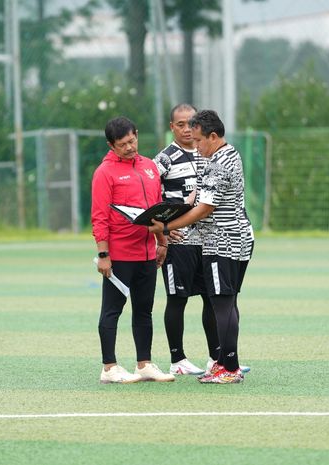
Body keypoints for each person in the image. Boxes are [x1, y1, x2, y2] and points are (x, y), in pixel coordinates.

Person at [149, 110, 254, 384]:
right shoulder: (225, 154)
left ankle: (228, 368)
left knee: (221, 303)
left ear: (213, 136)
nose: (195, 146)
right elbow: (199, 196)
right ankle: (224, 363)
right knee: (227, 301)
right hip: (236, 237)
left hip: (223, 241)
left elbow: (205, 209)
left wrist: (166, 227)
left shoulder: (219, 162)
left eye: (199, 141)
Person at [91, 116, 175, 384]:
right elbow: (99, 217)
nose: (129, 147)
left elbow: (157, 210)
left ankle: (144, 364)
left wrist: (162, 242)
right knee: (112, 310)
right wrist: (104, 255)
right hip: (119, 255)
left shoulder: (150, 166)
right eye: (122, 144)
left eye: (132, 140)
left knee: (144, 310)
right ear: (111, 145)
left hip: (147, 253)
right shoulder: (104, 173)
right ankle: (109, 368)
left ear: (137, 134)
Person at [153, 103, 217, 376]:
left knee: (212, 298)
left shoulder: (207, 153)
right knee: (177, 299)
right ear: (172, 127)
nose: (186, 129)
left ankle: (216, 358)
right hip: (179, 242)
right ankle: (177, 359)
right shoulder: (164, 159)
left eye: (190, 123)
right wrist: (164, 230)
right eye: (180, 124)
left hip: (208, 240)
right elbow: (149, 195)